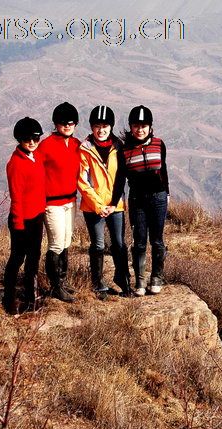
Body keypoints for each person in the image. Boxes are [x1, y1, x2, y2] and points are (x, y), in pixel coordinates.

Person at [111, 105, 169, 296]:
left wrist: (166, 193)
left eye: (144, 125)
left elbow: (163, 170)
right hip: (137, 199)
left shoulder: (159, 144)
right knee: (139, 241)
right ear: (130, 126)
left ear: (150, 127)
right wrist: (114, 201)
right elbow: (120, 177)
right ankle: (140, 282)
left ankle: (157, 277)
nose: (140, 129)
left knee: (157, 240)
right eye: (136, 125)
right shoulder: (125, 149)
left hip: (158, 198)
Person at [77, 105, 131, 298]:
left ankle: (123, 281)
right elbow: (82, 181)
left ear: (111, 126)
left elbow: (121, 178)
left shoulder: (119, 147)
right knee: (98, 245)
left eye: (105, 125)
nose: (101, 129)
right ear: (92, 127)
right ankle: (98, 284)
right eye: (97, 125)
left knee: (119, 243)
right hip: (93, 208)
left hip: (115, 205)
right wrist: (99, 206)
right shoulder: (85, 149)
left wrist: (112, 204)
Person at [36, 102, 81, 303]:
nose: (68, 125)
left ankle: (62, 281)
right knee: (55, 243)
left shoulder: (76, 144)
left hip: (71, 200)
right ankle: (55, 287)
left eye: (71, 123)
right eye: (63, 123)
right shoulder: (45, 145)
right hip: (52, 203)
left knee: (66, 241)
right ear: (56, 124)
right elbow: (35, 172)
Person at [3, 117, 45, 315]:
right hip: (22, 220)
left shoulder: (36, 157)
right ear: (19, 139)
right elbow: (16, 197)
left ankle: (31, 297)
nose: (32, 142)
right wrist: (18, 225)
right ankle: (9, 299)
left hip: (37, 217)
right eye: (27, 138)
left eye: (35, 138)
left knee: (33, 259)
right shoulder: (16, 164)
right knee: (17, 259)